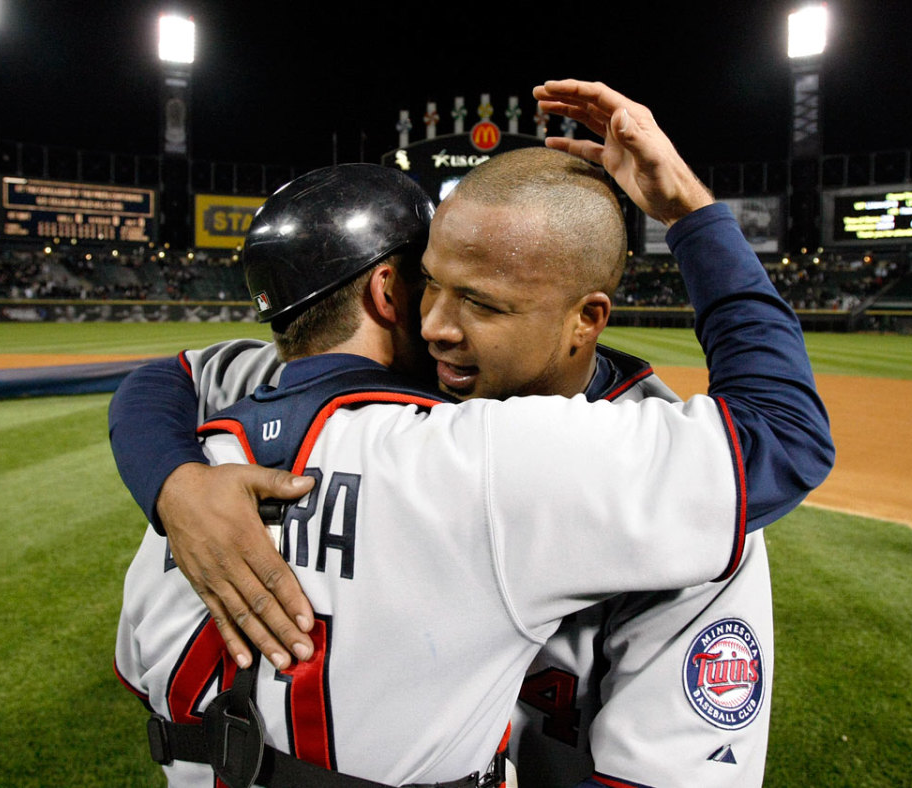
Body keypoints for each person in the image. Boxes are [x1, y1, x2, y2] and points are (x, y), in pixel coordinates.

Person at [111, 80, 833, 787]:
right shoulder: (403, 393)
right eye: (432, 283)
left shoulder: (663, 483)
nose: (434, 326)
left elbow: (783, 437)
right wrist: (174, 484)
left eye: (483, 304)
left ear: (588, 318)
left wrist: (688, 210)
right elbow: (163, 379)